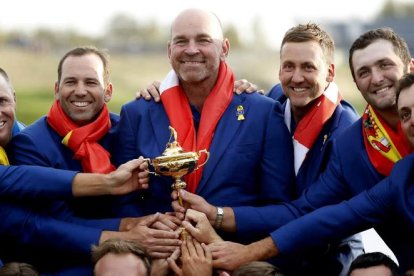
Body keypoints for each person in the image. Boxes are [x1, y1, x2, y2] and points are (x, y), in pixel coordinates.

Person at [206, 27, 414, 272]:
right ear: (356, 82)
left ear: (410, 67)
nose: (377, 78)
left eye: (385, 65)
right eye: (364, 72)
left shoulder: (340, 127)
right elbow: (320, 215)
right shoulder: (354, 148)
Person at [170, 22, 361, 275]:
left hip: (327, 255)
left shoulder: (345, 132)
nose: (296, 77)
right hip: (275, 242)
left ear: (329, 73)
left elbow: (303, 214)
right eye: (288, 66)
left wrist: (217, 217)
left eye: (308, 67)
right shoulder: (274, 99)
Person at [114, 7, 294, 245]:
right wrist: (151, 225)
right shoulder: (136, 113)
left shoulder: (263, 113)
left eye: (203, 40)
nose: (191, 49)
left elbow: (281, 210)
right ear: (169, 50)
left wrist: (219, 218)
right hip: (157, 251)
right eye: (181, 41)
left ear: (225, 48)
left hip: (235, 254)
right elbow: (122, 202)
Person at [3, 49, 181, 273]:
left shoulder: (126, 130)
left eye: (90, 82)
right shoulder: (30, 143)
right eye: (70, 82)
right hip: (66, 258)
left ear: (108, 91)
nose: (80, 91)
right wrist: (127, 229)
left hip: (135, 249)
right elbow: (55, 222)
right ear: (57, 90)